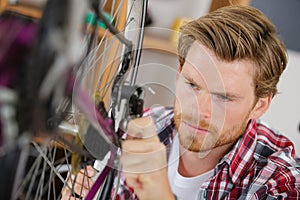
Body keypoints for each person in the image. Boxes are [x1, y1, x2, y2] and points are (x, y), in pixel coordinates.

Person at [62, 5, 300, 199]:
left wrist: (158, 194)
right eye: (192, 85)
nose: (199, 110)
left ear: (260, 105)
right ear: (178, 74)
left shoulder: (280, 181)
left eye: (224, 97)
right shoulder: (140, 127)